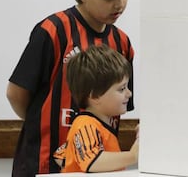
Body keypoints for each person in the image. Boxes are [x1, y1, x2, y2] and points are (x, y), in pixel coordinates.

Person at [6, 0, 136, 176]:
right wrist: (46, 126)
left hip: (97, 169)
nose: (120, 4)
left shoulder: (123, 43)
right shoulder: (53, 31)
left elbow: (120, 108)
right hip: (43, 165)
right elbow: (16, 94)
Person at [53, 44, 139, 172]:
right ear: (95, 96)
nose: (129, 93)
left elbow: (60, 155)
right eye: (122, 89)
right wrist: (134, 154)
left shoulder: (93, 125)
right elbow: (92, 162)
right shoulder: (85, 125)